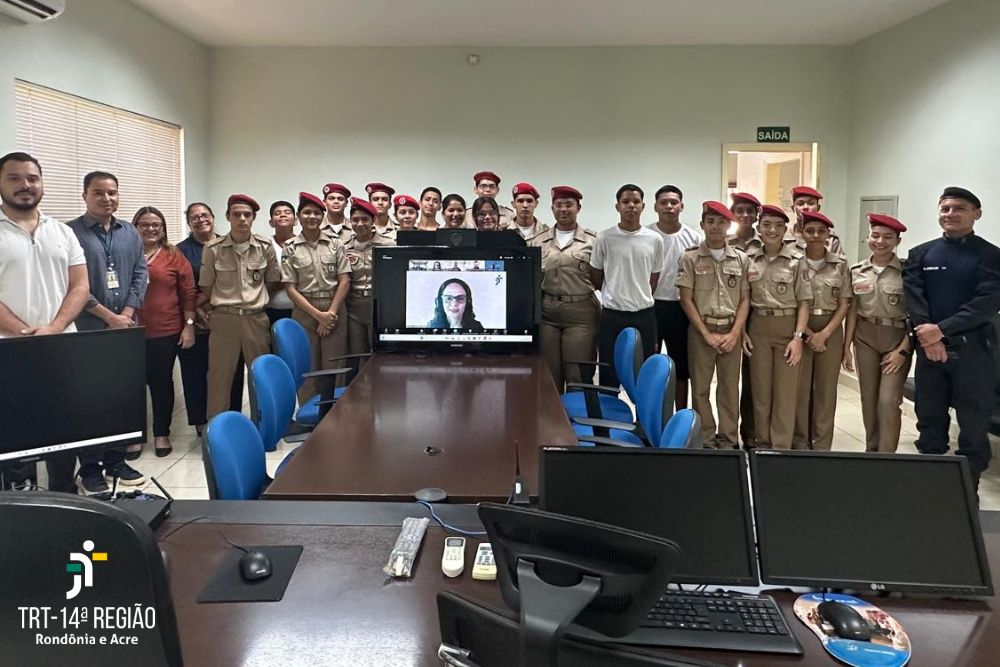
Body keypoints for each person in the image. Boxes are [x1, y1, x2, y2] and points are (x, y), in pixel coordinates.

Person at [0, 152, 87, 492]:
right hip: (10, 350)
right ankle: (21, 499)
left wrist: (54, 328)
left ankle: (65, 493)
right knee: (15, 431)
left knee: (64, 429)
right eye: (14, 178)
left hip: (61, 348)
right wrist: (24, 332)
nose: (25, 185)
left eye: (32, 178)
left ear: (41, 184)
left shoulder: (62, 231)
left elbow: (80, 286)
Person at [903, 187, 1000, 493]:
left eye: (959, 208)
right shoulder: (922, 254)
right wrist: (929, 337)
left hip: (974, 354)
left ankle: (967, 493)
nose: (950, 214)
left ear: (976, 214)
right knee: (929, 420)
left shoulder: (991, 256)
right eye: (945, 209)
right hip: (930, 352)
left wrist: (941, 330)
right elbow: (914, 299)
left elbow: (986, 303)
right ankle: (932, 491)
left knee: (973, 426)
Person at [68, 170, 147, 493]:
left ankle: (116, 460)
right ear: (85, 195)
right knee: (89, 401)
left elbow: (141, 273)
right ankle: (89, 467)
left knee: (119, 397)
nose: (107, 198)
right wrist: (107, 316)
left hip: (125, 330)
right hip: (88, 331)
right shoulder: (70, 233)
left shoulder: (130, 233)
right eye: (99, 193)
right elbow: (72, 284)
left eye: (112, 192)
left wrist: (126, 313)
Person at [199, 194, 281, 420]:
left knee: (261, 376)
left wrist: (254, 299)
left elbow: (272, 280)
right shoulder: (213, 249)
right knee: (219, 377)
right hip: (225, 320)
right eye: (237, 214)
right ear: (228, 217)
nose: (242, 219)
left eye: (247, 215)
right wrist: (228, 301)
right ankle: (218, 429)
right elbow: (206, 285)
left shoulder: (264, 246)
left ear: (254, 218)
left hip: (256, 318)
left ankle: (265, 425)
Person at [676, 201, 750, 449]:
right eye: (710, 222)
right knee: (700, 388)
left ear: (729, 226)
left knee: (729, 388)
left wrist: (735, 333)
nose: (715, 227)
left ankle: (728, 439)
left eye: (721, 222)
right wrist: (706, 333)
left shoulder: (741, 258)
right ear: (702, 224)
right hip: (701, 331)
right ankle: (706, 438)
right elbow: (686, 299)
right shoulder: (690, 257)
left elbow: (745, 299)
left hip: (731, 331)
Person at [743, 205, 811, 450]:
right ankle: (762, 442)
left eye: (778, 226)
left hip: (787, 326)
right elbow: (743, 299)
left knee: (785, 392)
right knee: (760, 390)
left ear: (785, 230)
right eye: (766, 225)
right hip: (758, 327)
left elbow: (804, 303)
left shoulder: (797, 261)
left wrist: (798, 337)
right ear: (758, 228)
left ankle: (781, 445)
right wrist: (742, 332)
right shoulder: (749, 259)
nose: (772, 230)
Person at [842, 214, 912, 453]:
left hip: (896, 339)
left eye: (888, 237)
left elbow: (916, 315)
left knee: (889, 401)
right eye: (875, 235)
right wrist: (847, 347)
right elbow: (853, 310)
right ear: (868, 237)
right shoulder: (857, 270)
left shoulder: (907, 272)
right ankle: (872, 451)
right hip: (865, 338)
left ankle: (887, 456)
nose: (880, 241)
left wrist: (903, 350)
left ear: (897, 241)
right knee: (869, 399)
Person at [133, 206, 196, 459]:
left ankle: (161, 433)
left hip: (165, 330)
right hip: (130, 332)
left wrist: (189, 326)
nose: (150, 229)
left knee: (161, 383)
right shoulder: (127, 253)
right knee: (132, 386)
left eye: (155, 225)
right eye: (144, 225)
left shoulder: (174, 256)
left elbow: (188, 293)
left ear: (163, 229)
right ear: (135, 228)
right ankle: (135, 436)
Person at [176, 203, 244, 437]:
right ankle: (201, 420)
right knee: (197, 371)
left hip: (227, 315)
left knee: (230, 370)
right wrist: (197, 311)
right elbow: (181, 288)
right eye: (194, 217)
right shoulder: (180, 251)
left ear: (214, 217)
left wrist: (212, 306)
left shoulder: (230, 245)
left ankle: (232, 415)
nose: (200, 219)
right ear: (188, 222)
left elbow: (237, 281)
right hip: (195, 319)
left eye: (204, 215)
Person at [590, 184, 663, 387]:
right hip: (612, 314)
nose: (631, 205)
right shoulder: (604, 238)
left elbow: (654, 277)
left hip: (644, 315)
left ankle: (642, 409)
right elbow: (596, 275)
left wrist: (638, 294)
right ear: (617, 206)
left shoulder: (654, 239)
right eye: (625, 202)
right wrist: (614, 291)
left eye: (636, 201)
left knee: (646, 371)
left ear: (643, 206)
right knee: (608, 371)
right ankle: (609, 406)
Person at [282, 192, 352, 403]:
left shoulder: (335, 244)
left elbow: (345, 280)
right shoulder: (290, 247)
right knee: (307, 365)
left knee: (335, 364)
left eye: (316, 213)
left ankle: (336, 411)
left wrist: (330, 314)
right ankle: (309, 412)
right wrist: (318, 315)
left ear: (322, 216)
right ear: (298, 217)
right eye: (306, 213)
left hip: (334, 307)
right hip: (305, 310)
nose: (311, 217)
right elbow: (290, 288)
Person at [530, 186, 599, 392]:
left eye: (569, 205)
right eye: (558, 205)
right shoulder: (538, 240)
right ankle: (552, 413)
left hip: (581, 312)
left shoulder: (593, 241)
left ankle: (577, 413)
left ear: (578, 208)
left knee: (577, 374)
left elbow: (600, 278)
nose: (563, 209)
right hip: (547, 311)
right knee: (550, 375)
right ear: (552, 208)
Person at [792, 211, 851, 450]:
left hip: (830, 327)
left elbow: (845, 303)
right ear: (801, 233)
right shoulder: (793, 261)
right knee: (800, 388)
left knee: (826, 390)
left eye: (821, 232)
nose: (816, 236)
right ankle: (800, 441)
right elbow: (792, 302)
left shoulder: (840, 264)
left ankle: (822, 444)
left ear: (829, 235)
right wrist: (807, 333)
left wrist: (824, 334)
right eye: (810, 231)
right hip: (799, 327)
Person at [647, 185, 703, 410]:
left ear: (681, 206)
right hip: (651, 307)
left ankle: (680, 415)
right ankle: (649, 416)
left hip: (682, 308)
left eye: (673, 202)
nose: (669, 207)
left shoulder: (694, 238)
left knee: (681, 368)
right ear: (655, 207)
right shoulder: (646, 235)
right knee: (650, 366)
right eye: (664, 203)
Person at [727, 192, 762, 447]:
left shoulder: (766, 242)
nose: (745, 215)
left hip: (759, 316)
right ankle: (726, 434)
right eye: (740, 210)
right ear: (732, 214)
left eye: (750, 211)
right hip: (730, 315)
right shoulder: (724, 243)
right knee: (729, 379)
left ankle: (750, 433)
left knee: (753, 379)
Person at [345, 198, 396, 357]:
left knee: (380, 353)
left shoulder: (388, 245)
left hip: (381, 307)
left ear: (373, 220)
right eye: (355, 220)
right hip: (354, 308)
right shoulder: (343, 247)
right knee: (357, 353)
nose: (360, 224)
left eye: (365, 219)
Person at [265, 200, 296, 324]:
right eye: (277, 213)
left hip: (300, 309)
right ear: (271, 222)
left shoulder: (303, 244)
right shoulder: (264, 245)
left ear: (296, 220)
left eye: (287, 212)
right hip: (270, 308)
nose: (282, 215)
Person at [789, 186, 844, 256]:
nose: (805, 207)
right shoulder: (783, 236)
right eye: (800, 204)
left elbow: (840, 262)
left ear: (818, 208)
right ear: (793, 208)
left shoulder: (830, 239)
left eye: (811, 203)